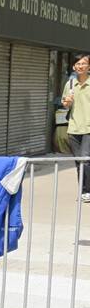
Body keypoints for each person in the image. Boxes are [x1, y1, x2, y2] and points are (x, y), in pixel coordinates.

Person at [61, 55, 90, 202]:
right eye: (78, 63)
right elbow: (65, 104)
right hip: (73, 128)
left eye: (84, 63)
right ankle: (83, 190)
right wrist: (67, 102)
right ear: (73, 67)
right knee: (79, 161)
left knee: (85, 160)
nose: (80, 66)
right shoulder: (70, 84)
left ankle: (87, 191)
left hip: (88, 128)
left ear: (89, 67)